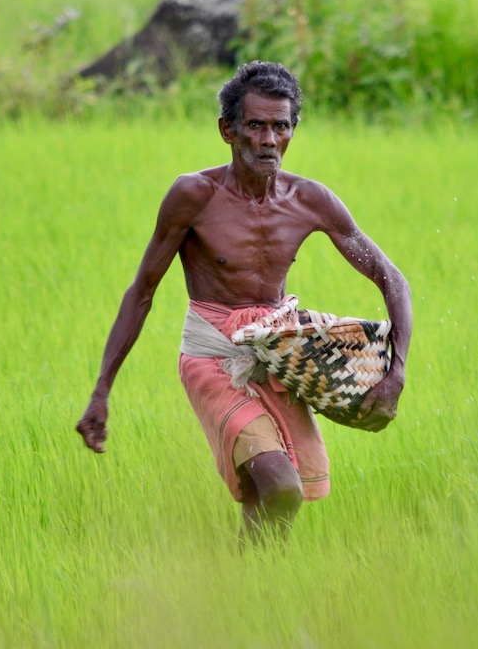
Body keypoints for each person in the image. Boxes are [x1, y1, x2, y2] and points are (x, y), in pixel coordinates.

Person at [76, 61, 412, 541]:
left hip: (277, 353)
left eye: (281, 126)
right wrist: (102, 390)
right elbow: (142, 291)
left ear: (294, 129)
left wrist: (395, 372)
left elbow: (392, 279)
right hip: (213, 355)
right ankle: (253, 589)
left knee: (265, 495)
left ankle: (249, 595)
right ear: (227, 130)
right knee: (281, 487)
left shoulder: (309, 200)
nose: (268, 140)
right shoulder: (194, 196)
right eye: (255, 125)